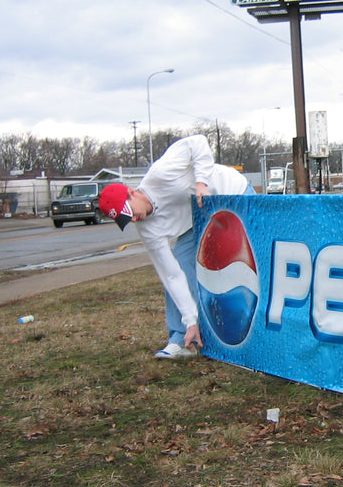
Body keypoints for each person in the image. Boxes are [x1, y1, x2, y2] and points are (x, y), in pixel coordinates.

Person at [99, 135, 254, 359]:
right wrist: (190, 320)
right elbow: (171, 275)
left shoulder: (161, 173)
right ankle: (182, 338)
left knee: (253, 256)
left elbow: (198, 142)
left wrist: (201, 183)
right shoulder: (147, 228)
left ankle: (258, 327)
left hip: (233, 193)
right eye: (125, 220)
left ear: (132, 192)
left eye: (129, 213)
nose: (133, 220)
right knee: (179, 264)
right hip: (196, 221)